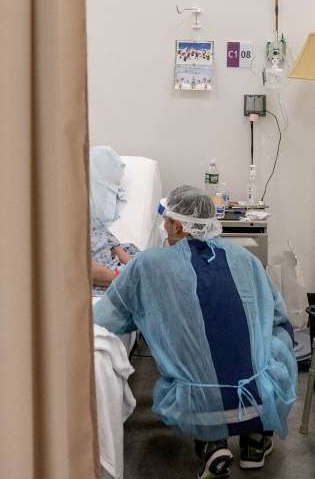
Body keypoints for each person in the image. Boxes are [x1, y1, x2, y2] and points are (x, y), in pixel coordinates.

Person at [94, 185, 297, 479]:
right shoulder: (246, 260)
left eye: (166, 221)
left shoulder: (147, 265)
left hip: (196, 404)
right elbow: (278, 315)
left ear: (177, 225)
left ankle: (210, 444)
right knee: (277, 336)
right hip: (259, 395)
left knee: (194, 358)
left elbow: (108, 317)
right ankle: (256, 439)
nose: (163, 227)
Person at [89, 146, 137, 296]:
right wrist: (124, 277)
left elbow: (121, 253)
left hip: (117, 271)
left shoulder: (96, 222)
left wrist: (139, 268)